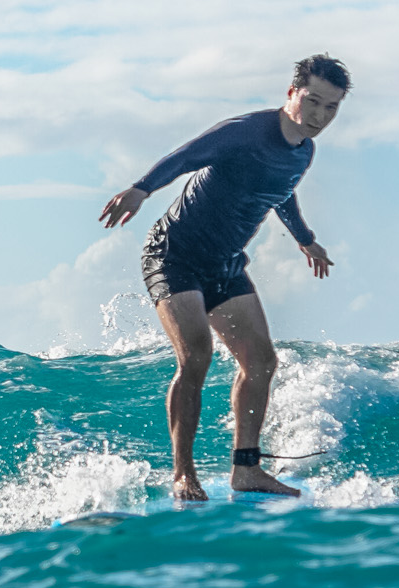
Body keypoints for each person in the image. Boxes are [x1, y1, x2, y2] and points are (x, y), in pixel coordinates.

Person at [99, 55, 350, 502]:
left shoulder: (303, 152)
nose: (319, 115)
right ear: (291, 93)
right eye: (313, 101)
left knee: (261, 361)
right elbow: (186, 156)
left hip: (225, 264)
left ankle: (246, 470)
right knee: (197, 355)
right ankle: (183, 473)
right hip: (174, 255)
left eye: (331, 107)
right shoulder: (246, 131)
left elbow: (281, 193)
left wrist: (305, 240)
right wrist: (141, 188)